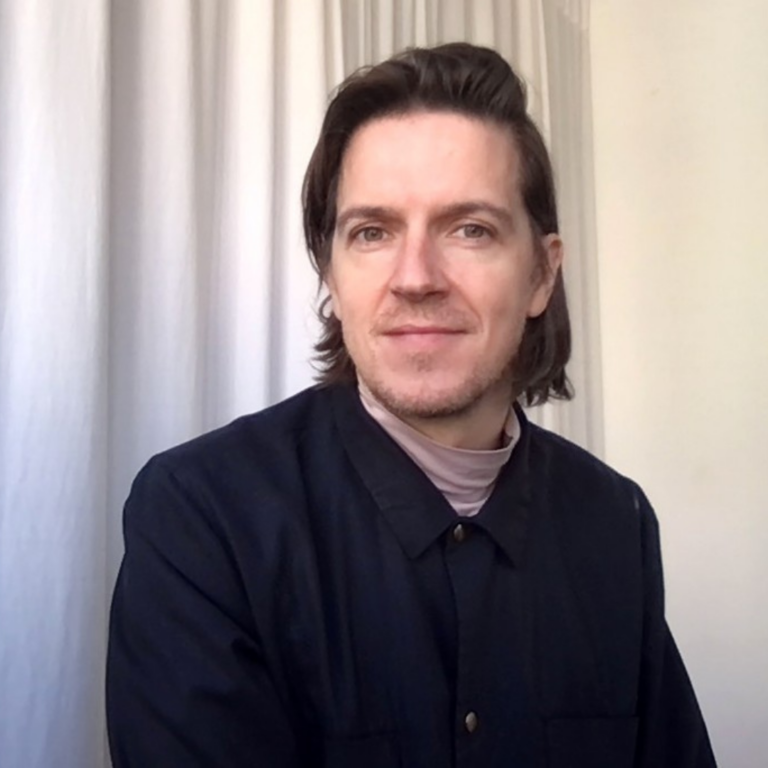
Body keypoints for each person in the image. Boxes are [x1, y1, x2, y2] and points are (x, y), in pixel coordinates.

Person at [106, 42, 716, 767]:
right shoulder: (202, 515)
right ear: (331, 274)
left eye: (470, 229)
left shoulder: (615, 524)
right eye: (372, 232)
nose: (416, 277)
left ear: (542, 276)